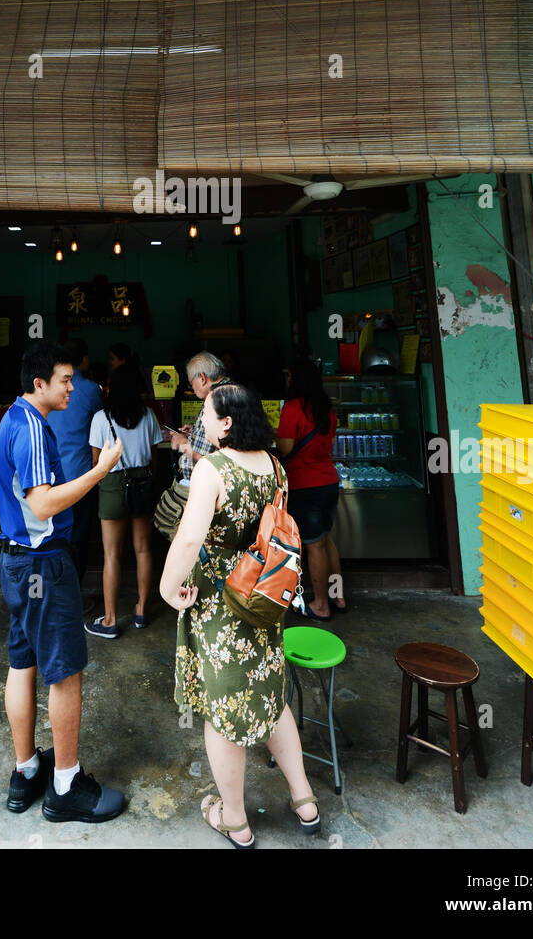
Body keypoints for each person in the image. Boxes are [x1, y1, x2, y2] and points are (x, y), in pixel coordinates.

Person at [160, 382, 321, 848]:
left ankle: (235, 820)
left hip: (221, 600)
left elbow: (189, 538)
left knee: (223, 706)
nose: (201, 421)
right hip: (266, 593)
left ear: (226, 423)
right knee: (272, 696)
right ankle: (304, 800)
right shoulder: (274, 465)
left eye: (206, 413)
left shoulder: (213, 468)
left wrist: (168, 589)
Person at [0, 339, 126, 822]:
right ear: (39, 384)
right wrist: (100, 470)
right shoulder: (30, 429)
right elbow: (43, 504)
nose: (74, 387)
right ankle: (66, 785)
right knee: (65, 671)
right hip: (42, 567)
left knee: (23, 660)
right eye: (66, 380)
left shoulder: (16, 418)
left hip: (18, 563)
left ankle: (27, 771)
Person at [85, 364, 162, 638]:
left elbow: (96, 463)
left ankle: (110, 619)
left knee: (111, 554)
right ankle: (141, 609)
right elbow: (155, 458)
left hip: (112, 484)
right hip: (142, 484)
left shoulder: (99, 418)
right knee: (143, 550)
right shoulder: (149, 416)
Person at [277, 359, 346, 618]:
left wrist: (276, 435)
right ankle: (337, 596)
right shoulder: (326, 410)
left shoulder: (293, 408)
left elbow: (285, 448)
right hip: (329, 481)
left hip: (305, 485)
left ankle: (320, 605)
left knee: (313, 545)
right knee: (326, 539)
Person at [46, 338, 104, 585]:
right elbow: (104, 423)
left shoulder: (47, 388)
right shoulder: (90, 389)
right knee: (78, 536)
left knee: (53, 534)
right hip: (80, 476)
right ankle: (73, 592)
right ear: (83, 360)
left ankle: (55, 590)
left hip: (48, 477)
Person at [168, 351, 230, 482]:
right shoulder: (226, 392)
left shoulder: (219, 400)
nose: (192, 388)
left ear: (202, 378)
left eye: (191, 383)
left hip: (206, 484)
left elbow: (211, 462)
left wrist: (184, 445)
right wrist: (195, 432)